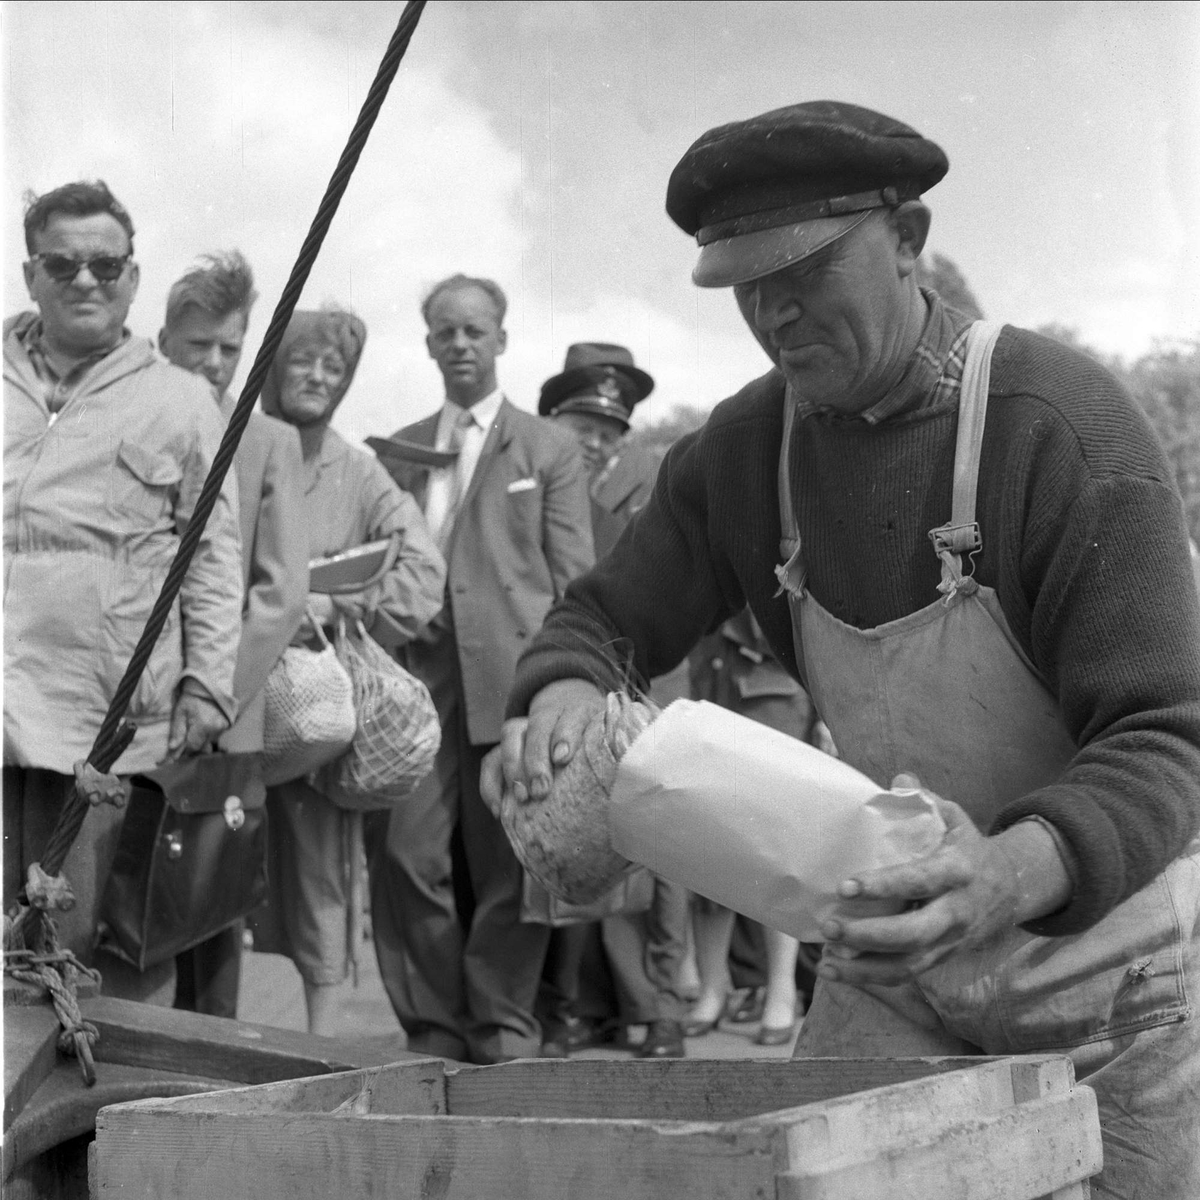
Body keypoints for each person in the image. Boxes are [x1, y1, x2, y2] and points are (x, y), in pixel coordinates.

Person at [494, 102, 1200, 1198]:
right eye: (743, 283)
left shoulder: (1061, 428)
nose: (774, 310)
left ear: (909, 238)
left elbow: (1168, 735)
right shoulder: (743, 453)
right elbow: (601, 615)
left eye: (808, 268)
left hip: (1110, 978)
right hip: (895, 965)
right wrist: (557, 690)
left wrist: (1009, 871)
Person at [3, 180, 243, 1003]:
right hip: (0, 699)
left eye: (105, 265)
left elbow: (214, 552)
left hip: (102, 714)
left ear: (133, 278)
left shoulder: (181, 399)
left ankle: (68, 1124)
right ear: (31, 273)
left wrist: (207, 681)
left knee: (70, 946)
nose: (85, 281)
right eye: (62, 263)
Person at [366, 274, 594, 1063]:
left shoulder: (549, 447)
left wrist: (573, 687)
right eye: (444, 332)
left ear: (502, 339)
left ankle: (502, 1026)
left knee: (510, 867)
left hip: (515, 685)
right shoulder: (397, 451)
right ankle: (433, 1028)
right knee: (405, 856)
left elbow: (576, 578)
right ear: (428, 345)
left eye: (474, 330)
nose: (459, 344)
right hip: (415, 695)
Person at [250, 306, 445, 1036]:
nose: (318, 377)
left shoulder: (357, 471)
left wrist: (340, 606)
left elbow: (424, 575)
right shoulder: (233, 445)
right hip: (225, 691)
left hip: (311, 709)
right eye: (302, 361)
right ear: (272, 365)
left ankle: (317, 1048)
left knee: (319, 876)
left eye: (334, 368)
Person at [158, 250, 308, 1019]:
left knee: (213, 909)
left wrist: (214, 693)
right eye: (199, 346)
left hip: (226, 717)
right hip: (140, 713)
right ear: (163, 341)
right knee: (135, 903)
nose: (217, 365)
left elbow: (281, 592)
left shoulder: (269, 439)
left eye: (231, 349)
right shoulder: (138, 419)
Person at [534, 343, 690, 1060]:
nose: (595, 443)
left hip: (649, 675)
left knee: (664, 846)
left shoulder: (654, 478)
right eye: (579, 426)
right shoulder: (534, 477)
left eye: (608, 430)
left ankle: (664, 1012)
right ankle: (586, 1008)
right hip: (569, 677)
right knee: (573, 820)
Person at [684, 609, 820, 1047]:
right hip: (709, 685)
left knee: (774, 851)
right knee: (708, 849)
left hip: (773, 693)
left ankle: (781, 991)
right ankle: (713, 987)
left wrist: (824, 717)